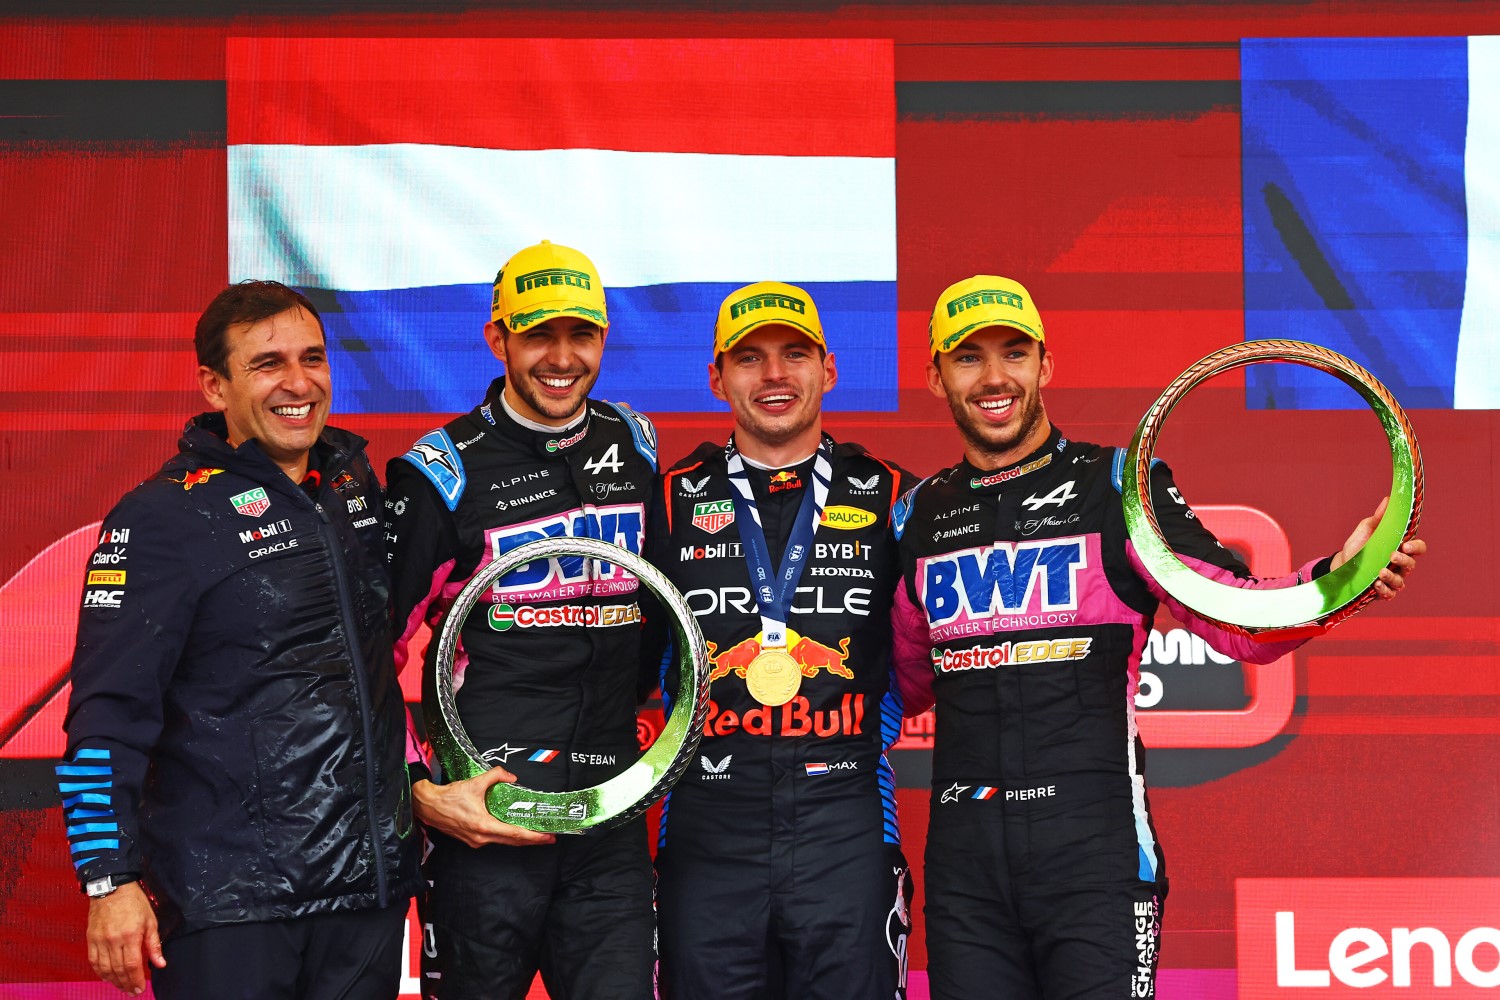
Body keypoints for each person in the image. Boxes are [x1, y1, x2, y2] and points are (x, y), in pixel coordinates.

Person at [891, 275, 1427, 1000]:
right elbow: (902, 681)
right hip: (964, 865)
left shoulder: (1119, 486)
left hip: (1094, 852)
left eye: (1014, 353)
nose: (994, 377)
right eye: (968, 357)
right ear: (934, 376)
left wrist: (1340, 574)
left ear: (1045, 365)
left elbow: (1241, 625)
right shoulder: (917, 514)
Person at [60, 280, 421, 999]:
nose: (298, 383)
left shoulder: (353, 486)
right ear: (215, 386)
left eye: (312, 358)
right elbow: (105, 715)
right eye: (267, 364)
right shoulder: (162, 516)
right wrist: (109, 880)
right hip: (231, 908)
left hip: (366, 897)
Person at [385, 240, 659, 1000]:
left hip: (609, 823)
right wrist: (420, 788)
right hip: (487, 822)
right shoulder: (441, 471)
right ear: (497, 337)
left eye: (582, 335)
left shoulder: (632, 446)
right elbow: (371, 652)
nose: (561, 357)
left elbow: (662, 622)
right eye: (538, 334)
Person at [645, 281, 914, 1000]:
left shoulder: (891, 495)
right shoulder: (668, 500)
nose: (773, 375)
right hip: (706, 822)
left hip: (847, 818)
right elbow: (629, 668)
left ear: (828, 370)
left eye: (794, 355)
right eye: (749, 358)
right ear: (716, 377)